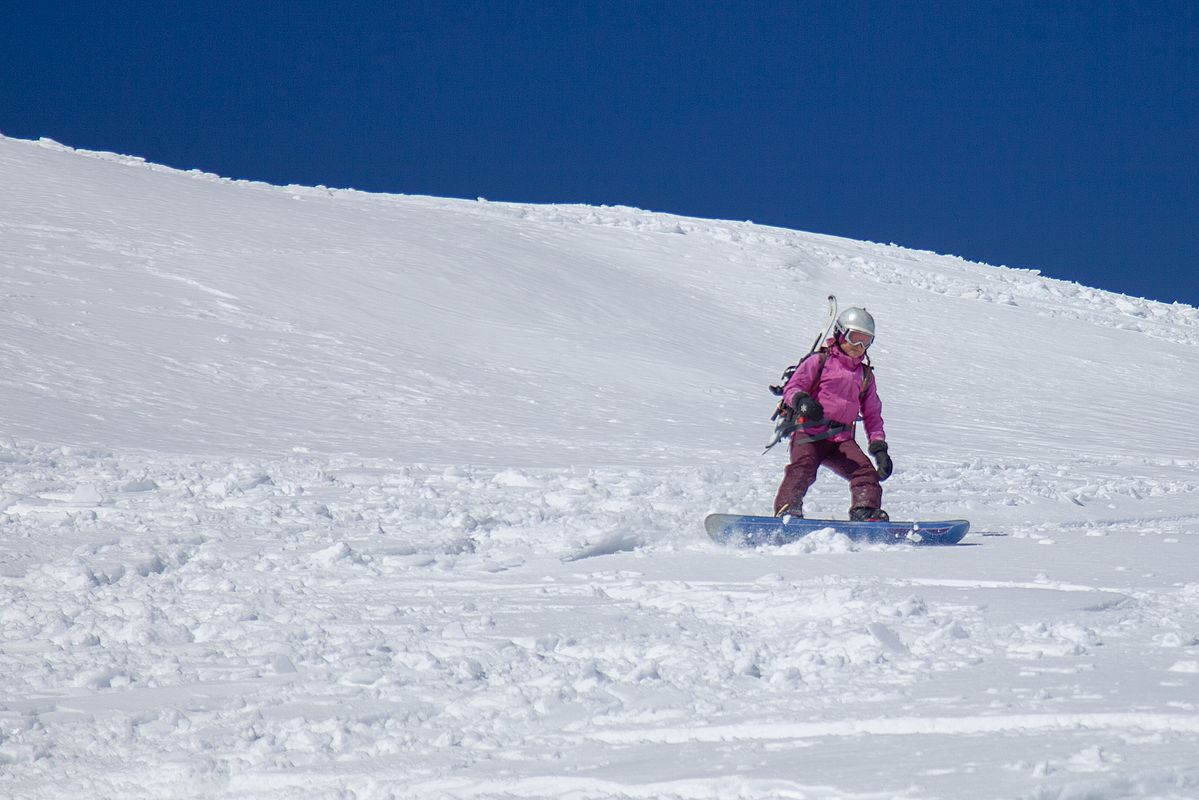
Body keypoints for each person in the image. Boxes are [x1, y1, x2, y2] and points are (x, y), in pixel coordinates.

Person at [773, 306, 893, 521]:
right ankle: (787, 510)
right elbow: (793, 387)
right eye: (854, 338)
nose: (859, 346)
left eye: (866, 341)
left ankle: (864, 511)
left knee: (865, 473)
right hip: (809, 432)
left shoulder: (865, 375)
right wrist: (802, 402)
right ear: (840, 333)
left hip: (841, 440)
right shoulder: (820, 361)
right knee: (803, 468)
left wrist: (879, 448)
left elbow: (873, 414)